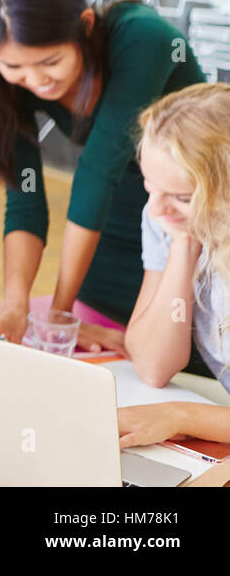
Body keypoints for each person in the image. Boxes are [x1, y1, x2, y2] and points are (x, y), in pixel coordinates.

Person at [0, 0, 206, 357]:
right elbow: (25, 199)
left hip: (191, 211)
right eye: (14, 67)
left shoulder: (144, 39)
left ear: (85, 25)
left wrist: (58, 316)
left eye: (50, 61)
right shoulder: (7, 87)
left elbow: (97, 172)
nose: (36, 79)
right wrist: (16, 304)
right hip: (113, 218)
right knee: (114, 342)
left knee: (185, 339)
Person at [117, 83, 230, 447]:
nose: (156, 210)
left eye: (182, 197)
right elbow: (153, 364)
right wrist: (184, 242)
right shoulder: (167, 221)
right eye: (150, 187)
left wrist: (181, 415)